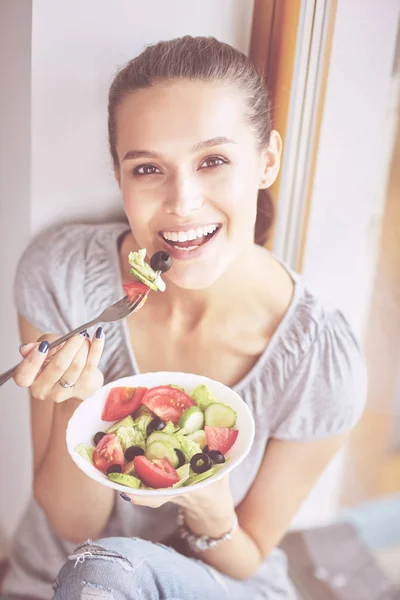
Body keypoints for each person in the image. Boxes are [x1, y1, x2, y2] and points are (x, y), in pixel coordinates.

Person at [1, 36, 367, 600]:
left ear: (267, 161)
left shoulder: (323, 362)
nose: (183, 201)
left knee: (114, 567)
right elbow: (74, 529)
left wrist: (204, 497)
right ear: (120, 179)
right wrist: (83, 405)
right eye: (148, 168)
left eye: (214, 161)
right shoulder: (60, 276)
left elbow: (245, 559)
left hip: (215, 582)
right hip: (64, 577)